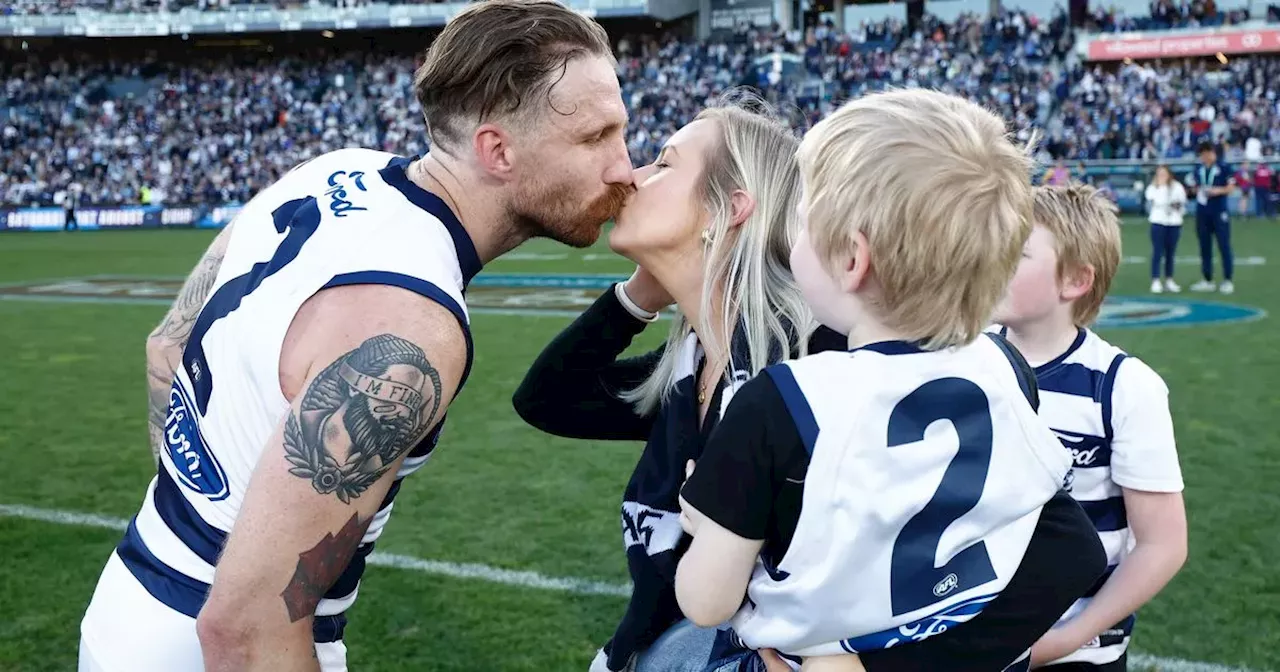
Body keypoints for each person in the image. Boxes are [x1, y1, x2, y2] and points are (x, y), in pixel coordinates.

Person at [78, 1, 634, 670]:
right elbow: (245, 628)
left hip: (135, 598)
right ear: (497, 149)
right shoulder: (412, 330)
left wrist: (203, 514)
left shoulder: (333, 170)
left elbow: (166, 347)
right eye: (595, 138)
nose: (623, 167)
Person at [517, 88, 1103, 672]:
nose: (631, 175)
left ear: (732, 207)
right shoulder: (695, 360)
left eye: (664, 163)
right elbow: (549, 400)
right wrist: (642, 291)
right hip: (664, 647)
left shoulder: (816, 360)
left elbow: (1056, 552)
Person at [991, 185, 1187, 670]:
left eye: (1017, 251)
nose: (992, 261)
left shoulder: (1124, 388)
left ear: (1075, 280)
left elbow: (1163, 544)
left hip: (1073, 654)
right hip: (972, 643)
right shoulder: (966, 358)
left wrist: (1065, 640)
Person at [1187, 141, 1235, 294]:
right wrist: (1195, 190)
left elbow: (1231, 188)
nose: (1205, 157)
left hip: (1219, 211)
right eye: (1202, 154)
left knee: (1224, 245)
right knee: (1204, 246)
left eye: (1208, 153)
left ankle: (1227, 280)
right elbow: (1194, 187)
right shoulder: (1198, 169)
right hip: (1202, 212)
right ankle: (1207, 279)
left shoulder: (1224, 168)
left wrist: (1216, 191)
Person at [1143, 165, 1186, 293]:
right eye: (1159, 173)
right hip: (1158, 221)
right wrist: (1159, 187)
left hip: (1173, 222)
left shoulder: (1177, 187)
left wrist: (1175, 205)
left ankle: (1169, 279)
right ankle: (1155, 280)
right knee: (1157, 252)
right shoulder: (1153, 187)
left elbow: (1182, 202)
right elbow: (1151, 199)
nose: (1161, 176)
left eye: (1164, 173)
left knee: (1170, 253)